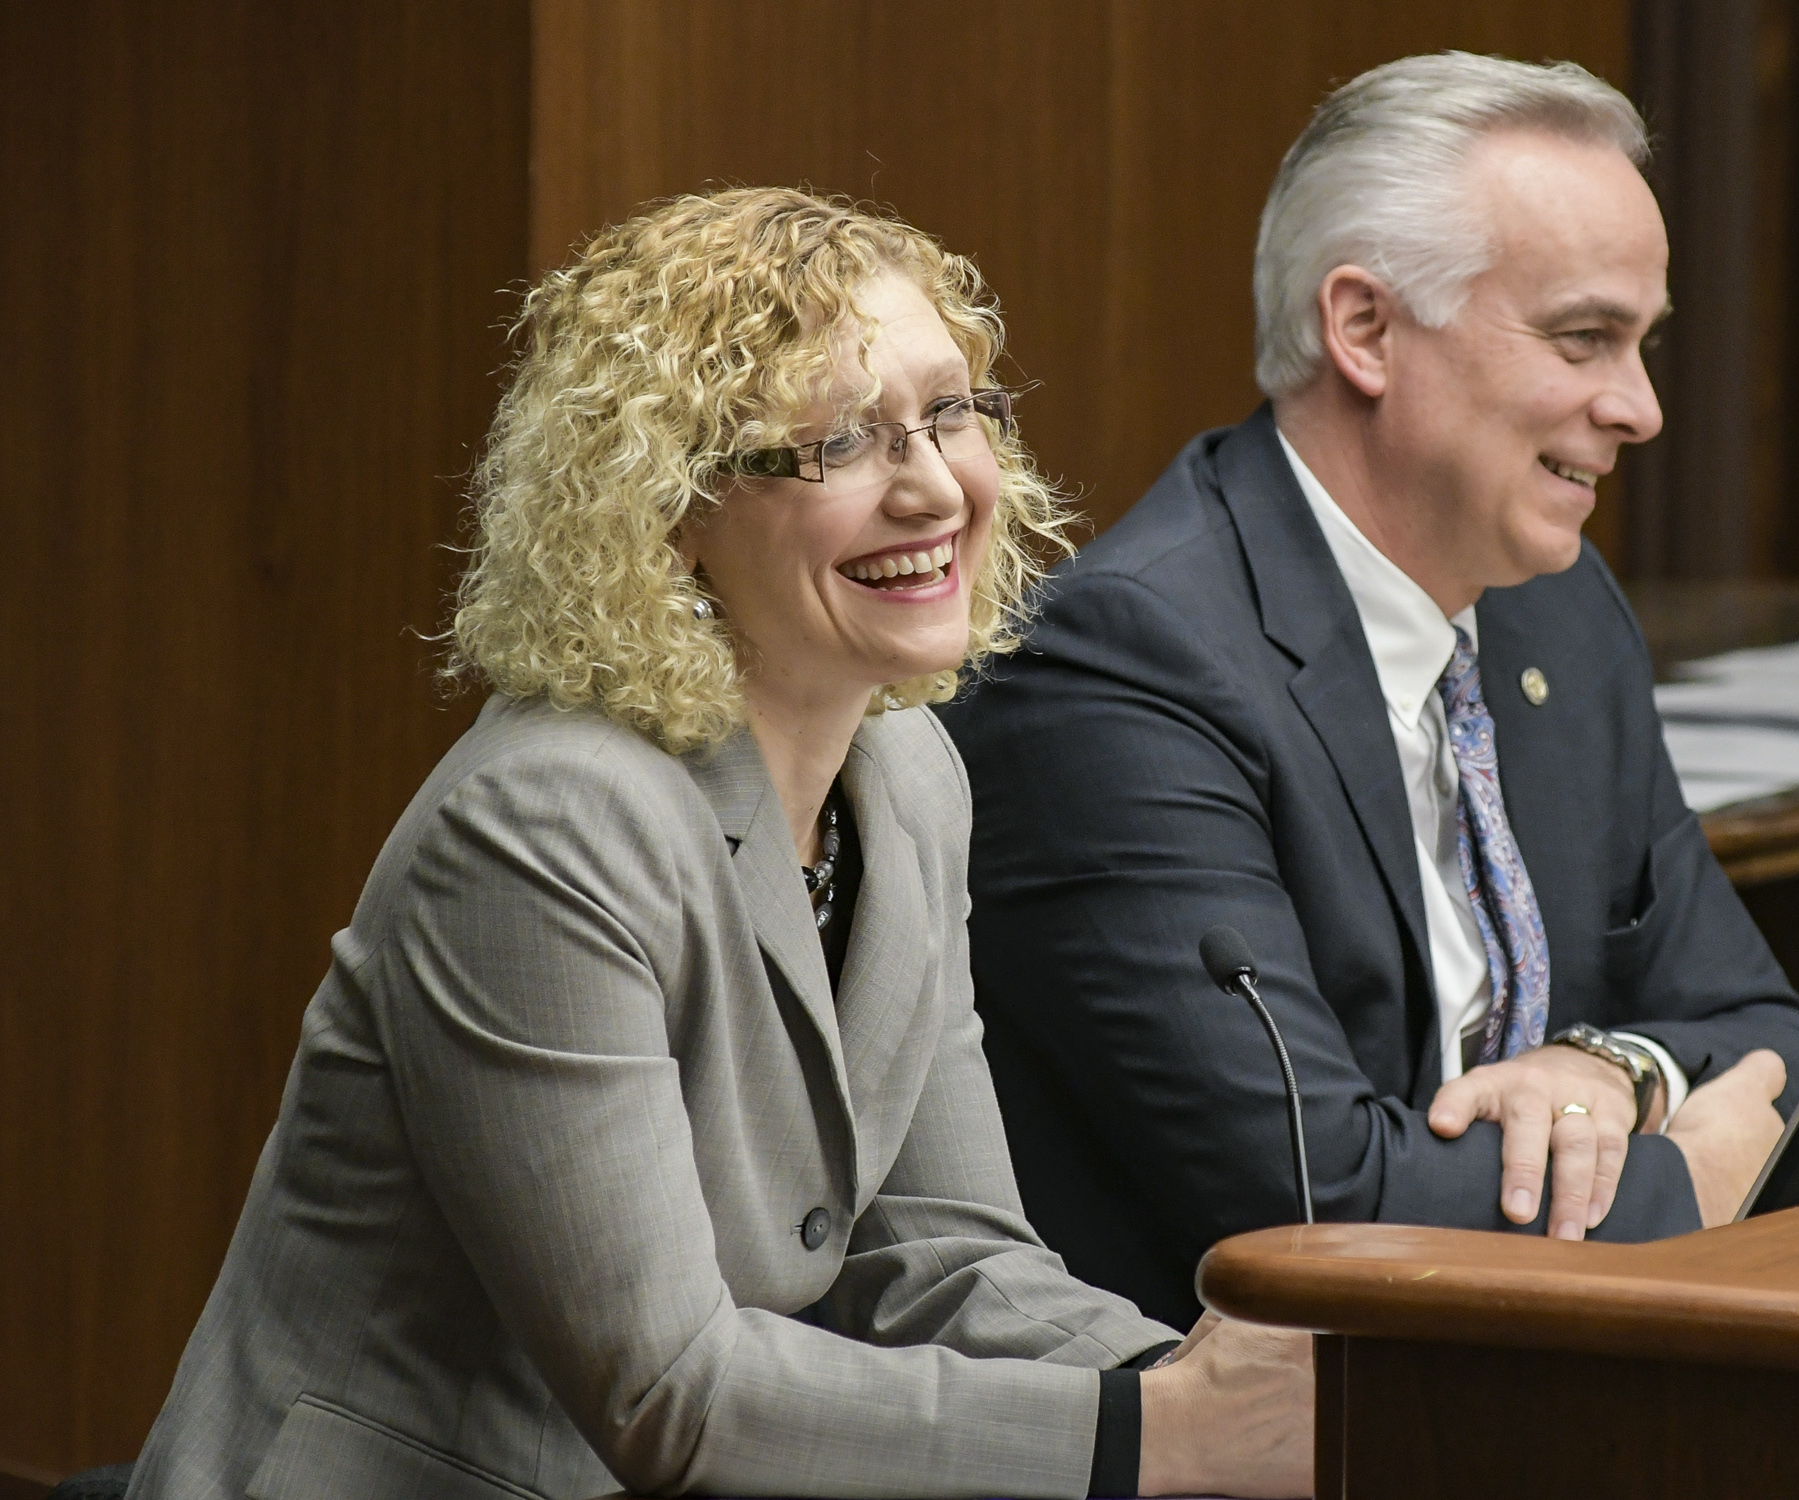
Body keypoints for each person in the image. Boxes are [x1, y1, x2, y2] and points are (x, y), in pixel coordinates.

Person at [128, 190, 1310, 1500]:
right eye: (840, 441)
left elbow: (944, 1260)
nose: (931, 487)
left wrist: (1224, 1393)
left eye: (950, 411)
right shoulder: (550, 825)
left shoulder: (909, 772)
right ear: (674, 506)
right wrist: (1165, 1439)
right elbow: (668, 1391)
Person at [941, 53, 1799, 1330]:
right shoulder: (1127, 666)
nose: (1638, 408)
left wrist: (1611, 1070)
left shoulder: (1558, 613)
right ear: (1365, 329)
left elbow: (1764, 1030)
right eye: (1585, 337)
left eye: (1643, 344)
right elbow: (1314, 1203)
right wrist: (1688, 1176)